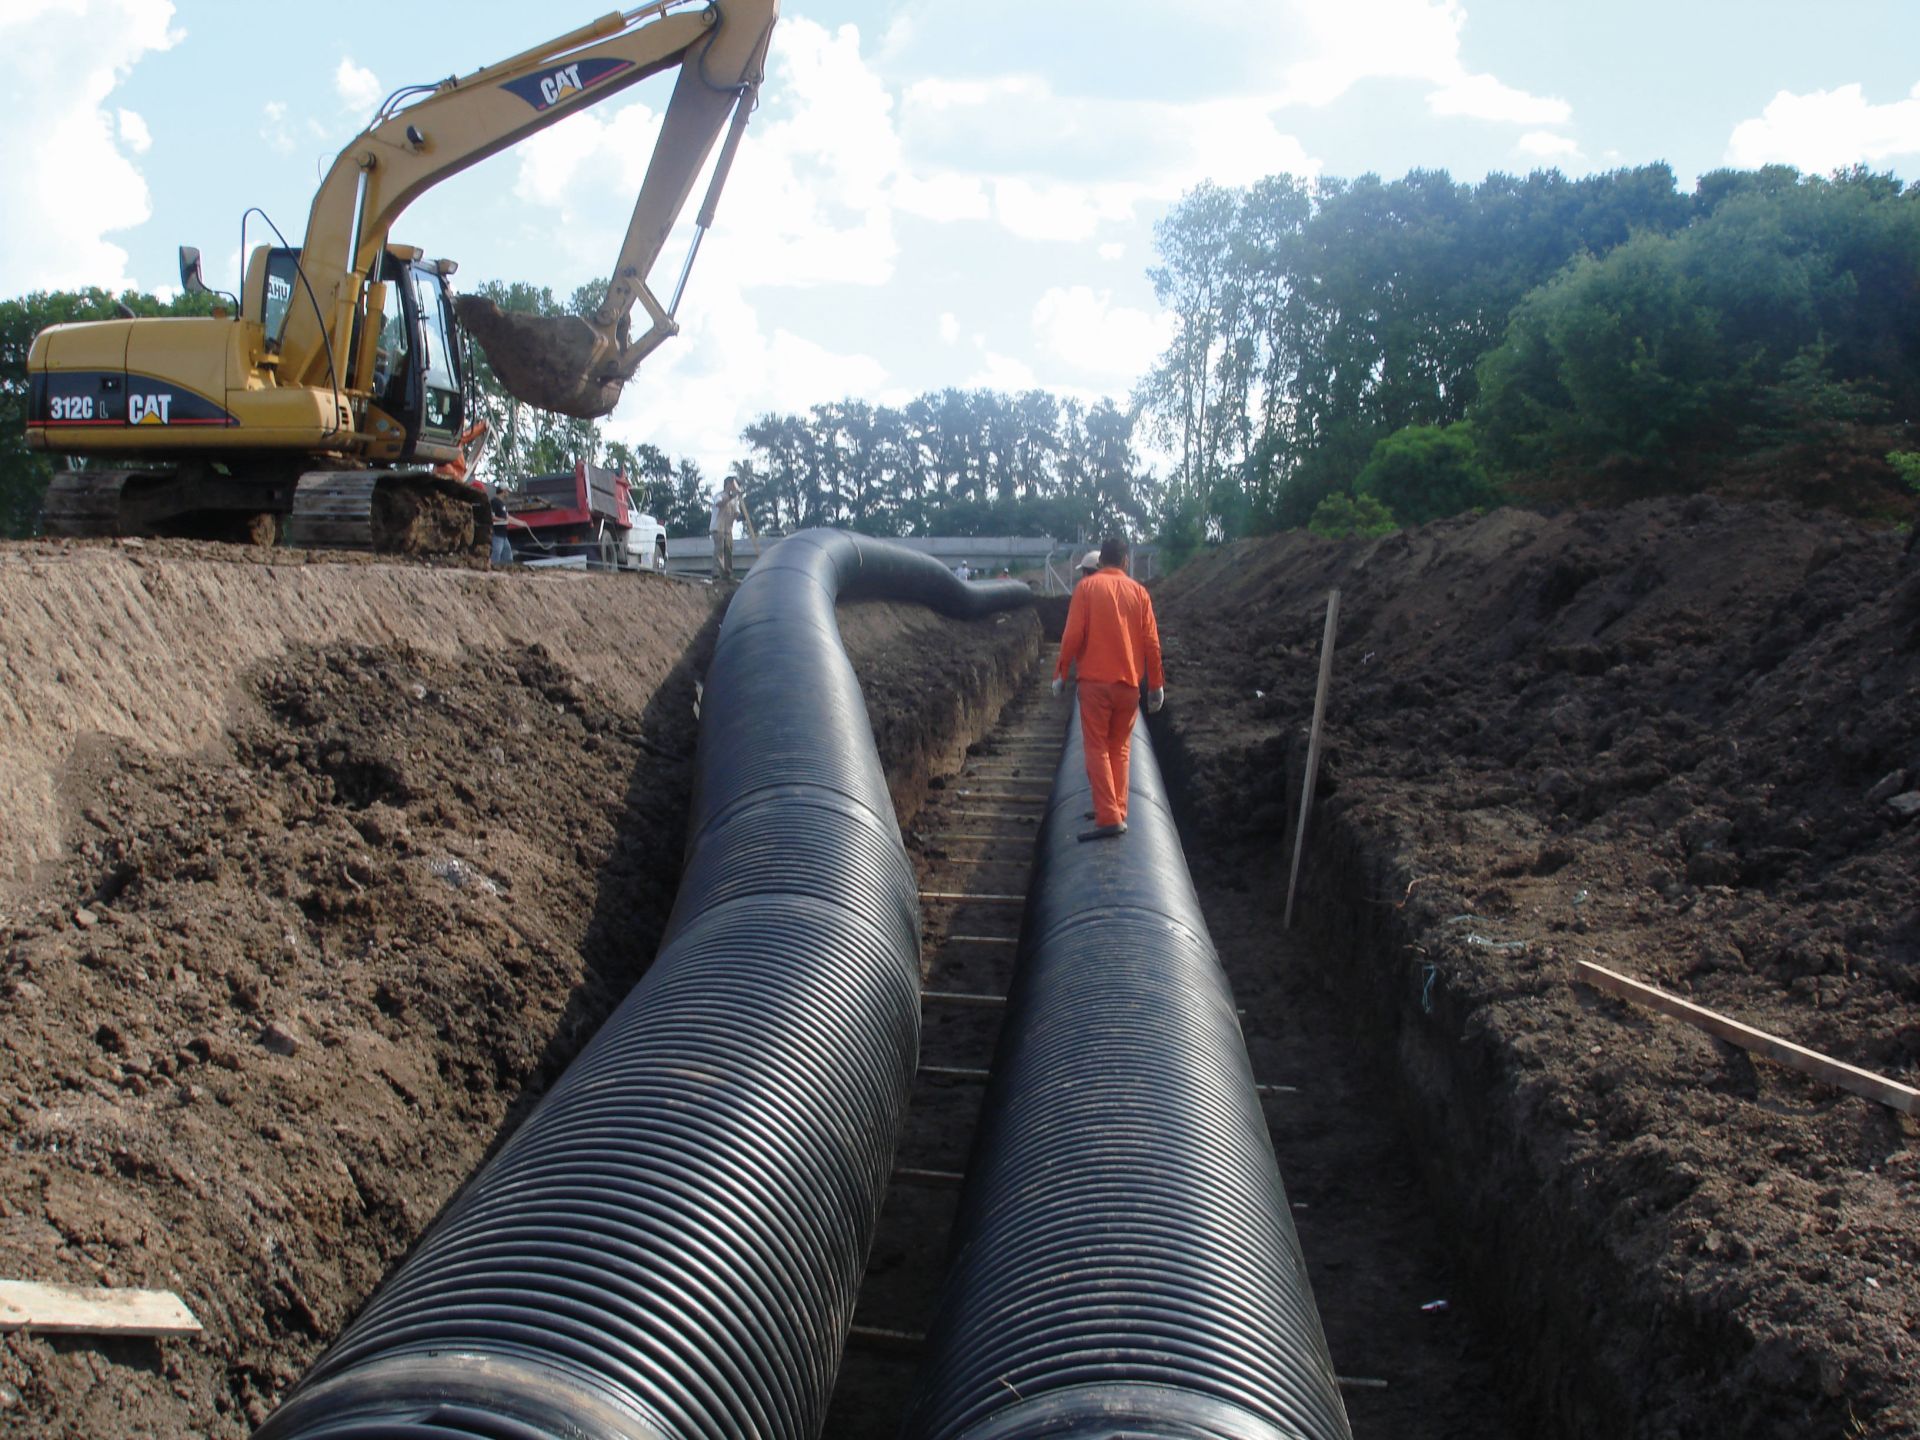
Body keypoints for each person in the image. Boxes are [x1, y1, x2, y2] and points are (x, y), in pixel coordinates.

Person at [1053, 535, 1164, 841]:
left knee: (1096, 747)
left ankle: (1108, 815)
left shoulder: (1087, 589)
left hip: (1095, 684)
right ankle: (1117, 808)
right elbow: (1152, 643)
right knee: (1120, 748)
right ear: (1126, 561)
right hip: (1129, 685)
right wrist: (1155, 685)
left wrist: (1061, 671)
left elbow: (1072, 634)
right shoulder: (1140, 593)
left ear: (1101, 561)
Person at [709, 477, 744, 582]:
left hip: (728, 529)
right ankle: (717, 574)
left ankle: (727, 574)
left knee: (728, 551)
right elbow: (719, 504)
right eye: (733, 484)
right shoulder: (719, 495)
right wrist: (732, 495)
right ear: (728, 484)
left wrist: (742, 517)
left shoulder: (735, 500)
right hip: (717, 527)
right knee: (719, 550)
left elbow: (736, 513)